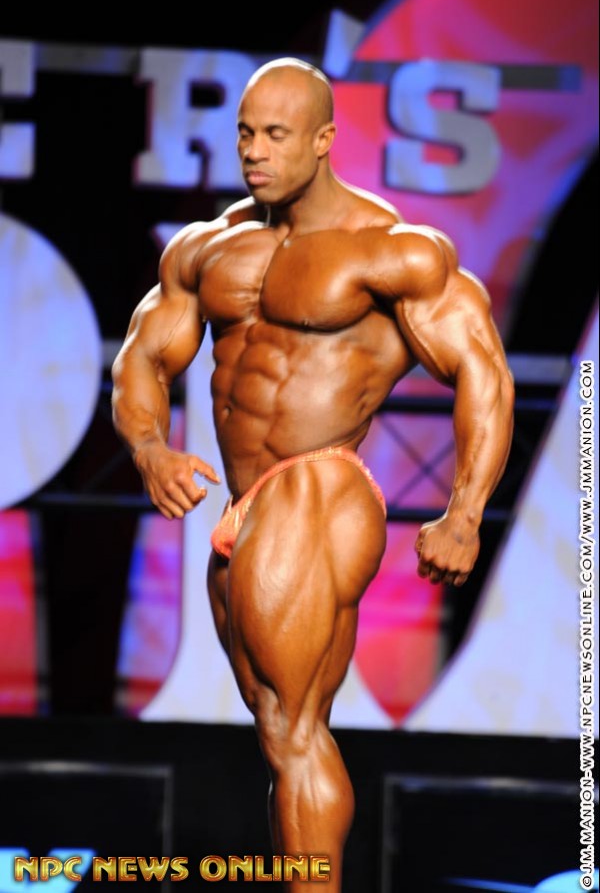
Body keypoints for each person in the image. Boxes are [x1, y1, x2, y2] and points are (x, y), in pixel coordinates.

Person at [112, 58, 514, 890]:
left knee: (294, 730)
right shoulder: (208, 248)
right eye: (245, 134)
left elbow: (485, 372)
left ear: (325, 140)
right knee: (279, 730)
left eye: (276, 135)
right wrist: (150, 448)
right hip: (248, 505)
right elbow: (141, 359)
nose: (254, 151)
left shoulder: (392, 251)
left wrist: (466, 512)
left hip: (319, 486)